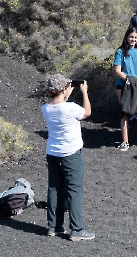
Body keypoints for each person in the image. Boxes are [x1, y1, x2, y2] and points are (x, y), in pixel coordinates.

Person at [41, 74, 95, 241]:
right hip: (71, 154)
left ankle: (54, 226)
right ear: (63, 89)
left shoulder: (45, 108)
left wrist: (66, 93)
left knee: (55, 188)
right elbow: (87, 112)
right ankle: (77, 229)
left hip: (53, 152)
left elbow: (59, 103)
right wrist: (84, 92)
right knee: (74, 190)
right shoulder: (70, 107)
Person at [114, 27, 137, 152]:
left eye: (135, 37)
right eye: (131, 37)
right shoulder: (120, 51)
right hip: (123, 85)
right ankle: (125, 141)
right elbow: (117, 70)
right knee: (124, 112)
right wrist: (128, 80)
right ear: (126, 37)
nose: (133, 39)